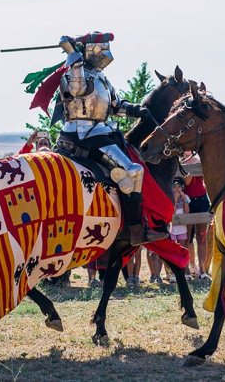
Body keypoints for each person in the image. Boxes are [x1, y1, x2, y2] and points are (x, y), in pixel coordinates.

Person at [54, 32, 167, 246]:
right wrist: (72, 54)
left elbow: (114, 105)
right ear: (89, 51)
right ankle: (135, 230)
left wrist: (135, 110)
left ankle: (125, 220)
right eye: (102, 47)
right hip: (82, 135)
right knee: (134, 171)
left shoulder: (100, 77)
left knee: (129, 174)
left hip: (100, 132)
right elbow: (77, 90)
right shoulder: (74, 73)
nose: (106, 53)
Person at [182, 152, 211, 280]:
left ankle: (202, 270)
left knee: (202, 236)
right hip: (188, 201)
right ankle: (189, 267)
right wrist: (189, 167)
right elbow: (187, 182)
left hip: (202, 200)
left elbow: (206, 178)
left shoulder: (200, 160)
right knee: (187, 238)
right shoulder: (181, 162)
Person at [170, 178, 191, 279]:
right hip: (172, 228)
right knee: (172, 249)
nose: (177, 189)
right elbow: (172, 212)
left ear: (182, 187)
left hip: (182, 227)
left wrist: (183, 198)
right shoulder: (170, 196)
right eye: (174, 187)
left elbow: (187, 211)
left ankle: (183, 270)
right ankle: (173, 273)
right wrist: (174, 199)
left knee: (182, 249)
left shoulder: (185, 197)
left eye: (179, 187)